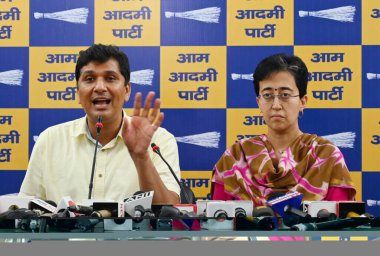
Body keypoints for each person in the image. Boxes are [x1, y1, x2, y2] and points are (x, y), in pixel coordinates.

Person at [19, 44, 181, 205]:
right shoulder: (50, 140)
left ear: (127, 90)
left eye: (110, 78)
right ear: (77, 93)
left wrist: (141, 157)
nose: (100, 87)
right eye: (90, 79)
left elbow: (169, 213)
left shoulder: (159, 140)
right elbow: (24, 210)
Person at [211, 53, 356, 206]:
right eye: (267, 95)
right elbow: (215, 225)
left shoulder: (326, 157)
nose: (276, 105)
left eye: (285, 95)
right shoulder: (235, 157)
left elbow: (342, 225)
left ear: (302, 101)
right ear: (259, 102)